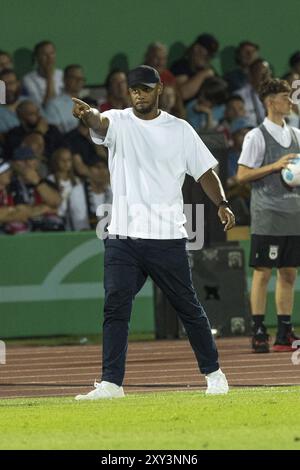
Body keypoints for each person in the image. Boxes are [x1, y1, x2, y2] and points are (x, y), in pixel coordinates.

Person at [72, 65, 235, 400]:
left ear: (159, 88)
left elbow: (205, 171)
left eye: (145, 89)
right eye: (134, 90)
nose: (138, 95)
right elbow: (98, 123)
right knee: (115, 305)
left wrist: (221, 202)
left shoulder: (180, 130)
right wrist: (88, 114)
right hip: (122, 237)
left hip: (166, 237)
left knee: (188, 308)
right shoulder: (117, 121)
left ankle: (215, 374)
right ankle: (111, 384)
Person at [237, 78, 300, 353]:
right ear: (270, 102)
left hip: (294, 214)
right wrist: (274, 166)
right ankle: (259, 329)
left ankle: (285, 331)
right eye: (286, 96)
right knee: (263, 273)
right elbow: (241, 175)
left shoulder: (297, 135)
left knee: (288, 274)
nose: (291, 100)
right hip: (267, 214)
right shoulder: (256, 136)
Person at [171, 33, 219, 103]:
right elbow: (183, 94)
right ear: (196, 48)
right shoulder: (181, 66)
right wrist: (203, 74)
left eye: (211, 55)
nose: (208, 58)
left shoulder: (209, 69)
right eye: (207, 53)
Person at [44, 65, 86, 133]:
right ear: (64, 79)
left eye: (81, 79)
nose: (78, 81)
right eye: (74, 78)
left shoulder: (87, 102)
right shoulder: (54, 104)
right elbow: (54, 134)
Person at [22, 41, 63, 106]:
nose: (49, 58)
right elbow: (45, 107)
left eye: (52, 53)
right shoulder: (29, 79)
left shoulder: (62, 74)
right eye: (44, 54)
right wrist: (49, 78)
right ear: (37, 57)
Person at [236, 58, 271, 127]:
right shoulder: (239, 96)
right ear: (251, 75)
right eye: (261, 73)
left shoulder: (276, 95)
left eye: (267, 72)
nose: (265, 77)